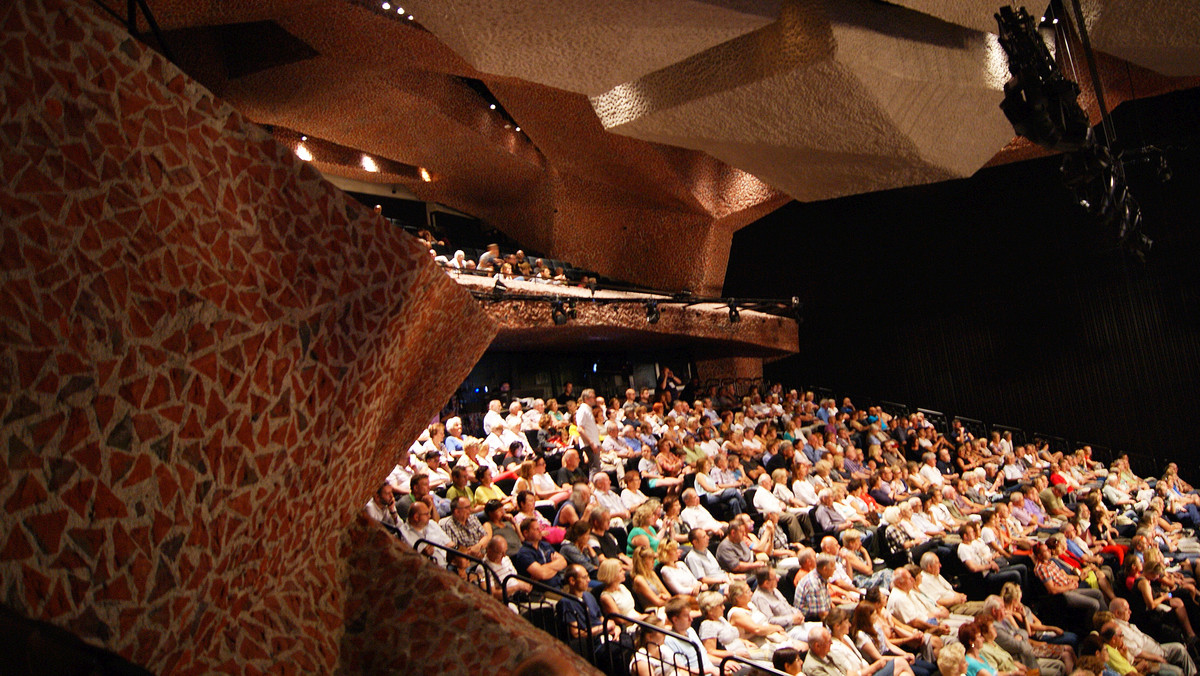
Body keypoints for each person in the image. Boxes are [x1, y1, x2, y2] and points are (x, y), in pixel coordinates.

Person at [1105, 598, 1196, 676]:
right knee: (1177, 672)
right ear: (1117, 613)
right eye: (1126, 610)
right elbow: (1137, 653)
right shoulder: (1120, 630)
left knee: (1179, 648)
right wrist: (1158, 658)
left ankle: (1193, 674)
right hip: (1148, 659)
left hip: (1158, 649)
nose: (1130, 612)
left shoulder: (1127, 624)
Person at [828, 607, 914, 676]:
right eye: (846, 622)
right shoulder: (834, 648)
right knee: (900, 662)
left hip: (869, 670)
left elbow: (861, 660)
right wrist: (875, 667)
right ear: (837, 626)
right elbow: (851, 672)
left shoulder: (846, 638)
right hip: (866, 673)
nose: (849, 625)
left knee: (904, 674)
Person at [662, 595, 719, 675]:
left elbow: (704, 655)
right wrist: (710, 670)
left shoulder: (691, 630)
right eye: (686, 616)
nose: (691, 619)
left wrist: (723, 662)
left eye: (690, 614)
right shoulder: (669, 640)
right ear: (675, 619)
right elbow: (682, 669)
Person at [511, 518, 567, 588]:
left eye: (540, 528)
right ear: (526, 533)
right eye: (536, 529)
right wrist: (556, 567)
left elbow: (563, 562)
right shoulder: (524, 553)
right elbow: (542, 574)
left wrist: (544, 568)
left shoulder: (545, 545)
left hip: (559, 583)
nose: (540, 531)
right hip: (543, 590)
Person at [399, 500, 452, 567]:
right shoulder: (403, 533)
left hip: (450, 564)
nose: (429, 516)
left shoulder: (432, 524)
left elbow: (450, 544)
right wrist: (422, 555)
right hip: (428, 569)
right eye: (426, 514)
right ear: (416, 517)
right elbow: (406, 561)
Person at [482, 535, 533, 599]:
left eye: (505, 552)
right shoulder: (483, 567)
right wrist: (517, 587)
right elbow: (493, 595)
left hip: (520, 595)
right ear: (489, 551)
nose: (504, 555)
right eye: (500, 553)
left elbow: (515, 578)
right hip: (507, 600)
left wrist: (525, 585)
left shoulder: (506, 558)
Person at [631, 545, 672, 609]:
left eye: (653, 558)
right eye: (650, 559)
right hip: (653, 610)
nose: (653, 561)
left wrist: (665, 597)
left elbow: (668, 595)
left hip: (665, 606)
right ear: (642, 562)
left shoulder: (652, 573)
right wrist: (668, 601)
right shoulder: (639, 579)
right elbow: (657, 602)